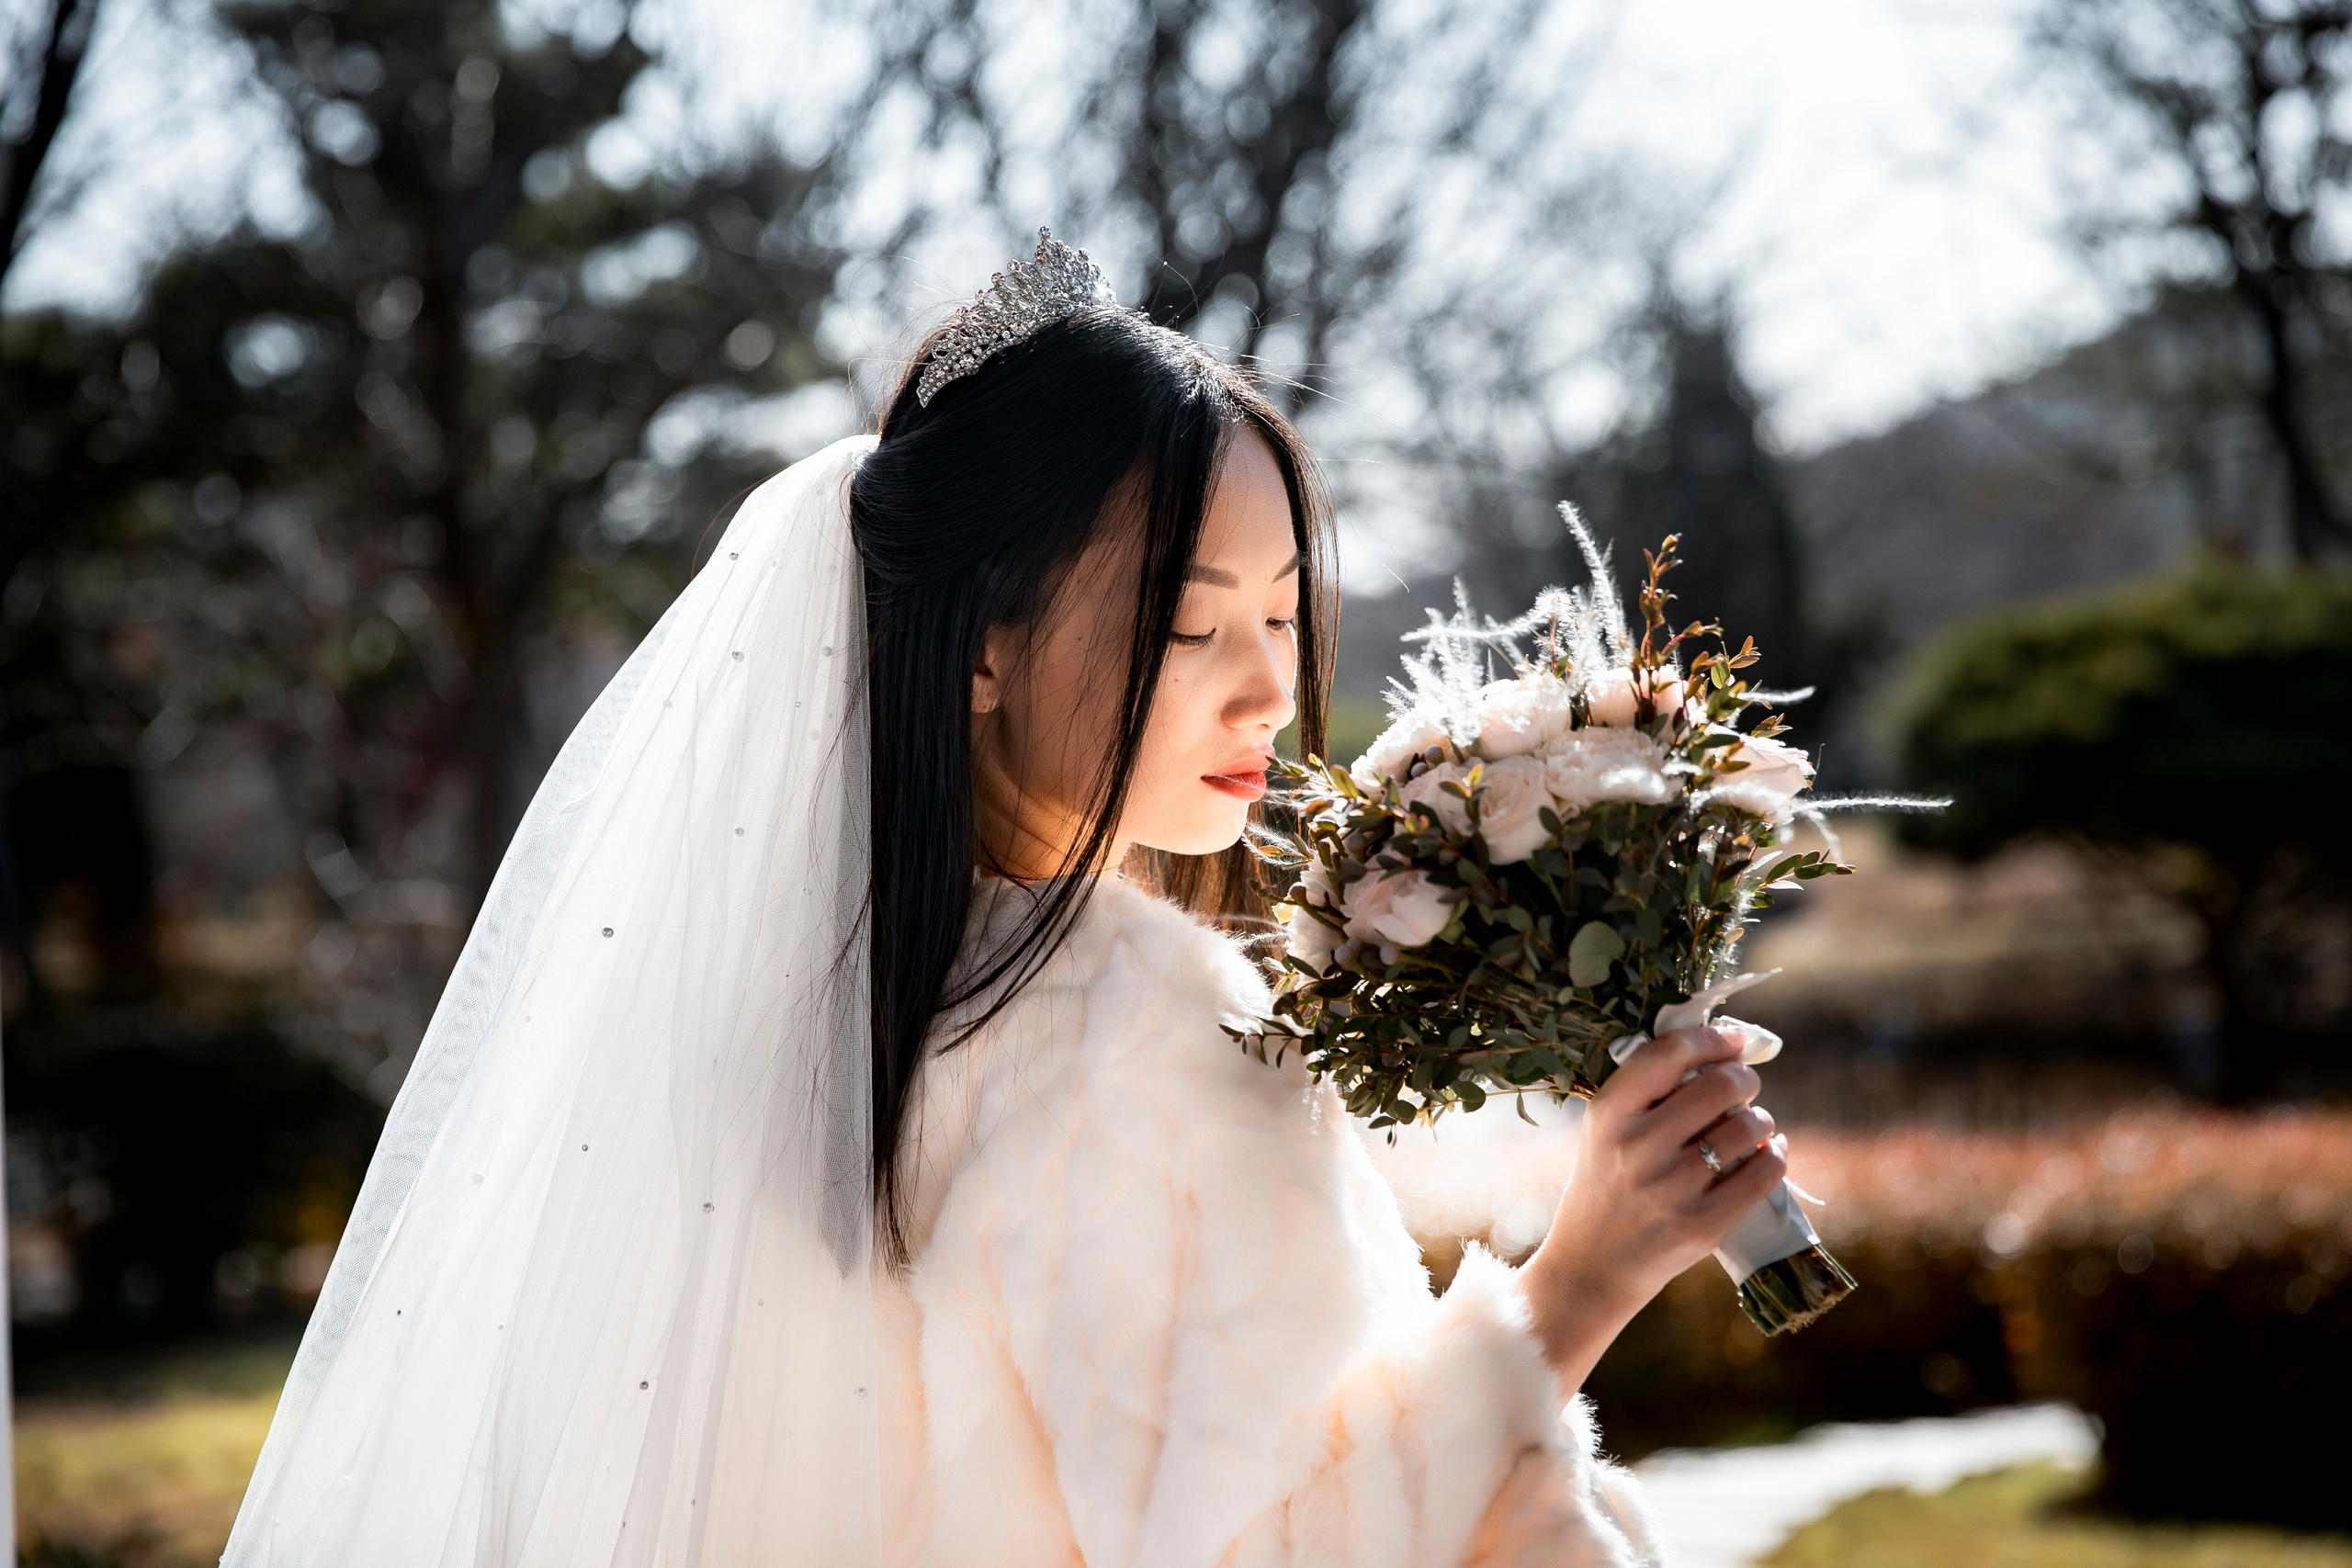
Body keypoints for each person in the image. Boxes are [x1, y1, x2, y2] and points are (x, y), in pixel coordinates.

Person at [225, 232, 1786, 1567]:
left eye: (1284, 613)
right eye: (1189, 628)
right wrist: (1583, 1280)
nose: (1266, 690)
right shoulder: (1134, 1031)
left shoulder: (824, 1027)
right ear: (981, 647)